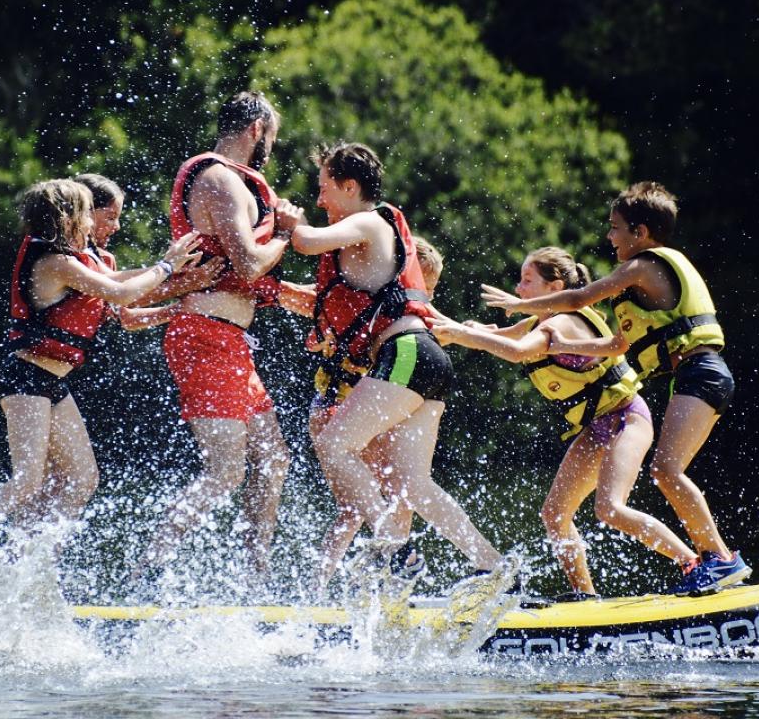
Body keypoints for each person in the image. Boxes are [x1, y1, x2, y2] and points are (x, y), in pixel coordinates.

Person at [480, 182, 750, 594]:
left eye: (615, 228)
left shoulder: (642, 267)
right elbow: (618, 346)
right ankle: (589, 594)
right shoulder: (640, 285)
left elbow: (579, 298)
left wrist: (519, 306)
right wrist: (565, 345)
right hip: (694, 375)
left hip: (703, 371)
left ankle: (720, 560)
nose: (609, 236)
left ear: (640, 232)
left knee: (664, 470)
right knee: (580, 503)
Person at [0, 179, 202, 567]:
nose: (100, 225)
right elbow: (120, 293)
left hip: (53, 383)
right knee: (27, 480)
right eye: (92, 215)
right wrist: (167, 265)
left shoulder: (82, 262)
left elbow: (118, 287)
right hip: (25, 378)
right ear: (69, 217)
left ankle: (33, 562)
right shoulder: (55, 263)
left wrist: (173, 304)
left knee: (83, 478)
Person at [290, 142, 504, 587]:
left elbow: (305, 241)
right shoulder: (368, 230)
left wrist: (285, 217)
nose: (318, 200)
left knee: (333, 444)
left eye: (324, 187)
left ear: (350, 186)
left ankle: (395, 548)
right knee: (413, 486)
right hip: (427, 359)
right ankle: (495, 568)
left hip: (404, 354)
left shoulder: (367, 219)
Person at [430, 247, 700, 599]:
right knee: (555, 514)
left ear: (554, 286)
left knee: (609, 509)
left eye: (528, 281)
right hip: (596, 427)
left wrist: (464, 337)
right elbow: (505, 335)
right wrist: (460, 327)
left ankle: (692, 563)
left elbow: (518, 352)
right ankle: (585, 596)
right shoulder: (538, 320)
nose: (519, 287)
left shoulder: (560, 322)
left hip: (627, 419)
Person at [140, 92, 303, 586]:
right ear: (256, 130)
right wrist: (287, 233)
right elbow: (251, 263)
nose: (270, 147)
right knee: (226, 470)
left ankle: (255, 575)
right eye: (271, 137)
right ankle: (149, 567)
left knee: (274, 460)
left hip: (232, 342)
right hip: (204, 336)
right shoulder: (218, 179)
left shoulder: (234, 182)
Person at [280, 237, 445, 592]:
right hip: (336, 407)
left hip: (359, 411)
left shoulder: (400, 312)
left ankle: (372, 582)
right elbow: (306, 299)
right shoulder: (361, 304)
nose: (421, 300)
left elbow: (443, 329)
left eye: (427, 291)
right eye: (420, 288)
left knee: (385, 496)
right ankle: (334, 586)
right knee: (368, 503)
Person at [73, 173, 224, 331]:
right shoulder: (62, 257)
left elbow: (125, 316)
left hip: (81, 355)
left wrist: (185, 309)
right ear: (83, 212)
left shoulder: (104, 260)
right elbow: (122, 296)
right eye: (110, 217)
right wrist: (178, 278)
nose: (117, 226)